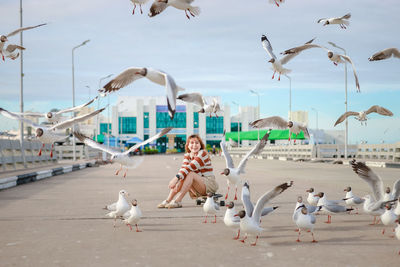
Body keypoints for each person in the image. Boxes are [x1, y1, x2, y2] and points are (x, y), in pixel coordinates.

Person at [158, 134, 219, 209]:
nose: (194, 145)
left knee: (189, 173)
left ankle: (178, 201)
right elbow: (183, 169)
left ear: (200, 145)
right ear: (188, 145)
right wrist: (177, 180)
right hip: (197, 185)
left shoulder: (203, 153)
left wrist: (175, 178)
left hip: (209, 184)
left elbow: (191, 167)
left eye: (197, 143)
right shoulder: (187, 155)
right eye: (192, 143)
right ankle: (168, 200)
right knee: (183, 175)